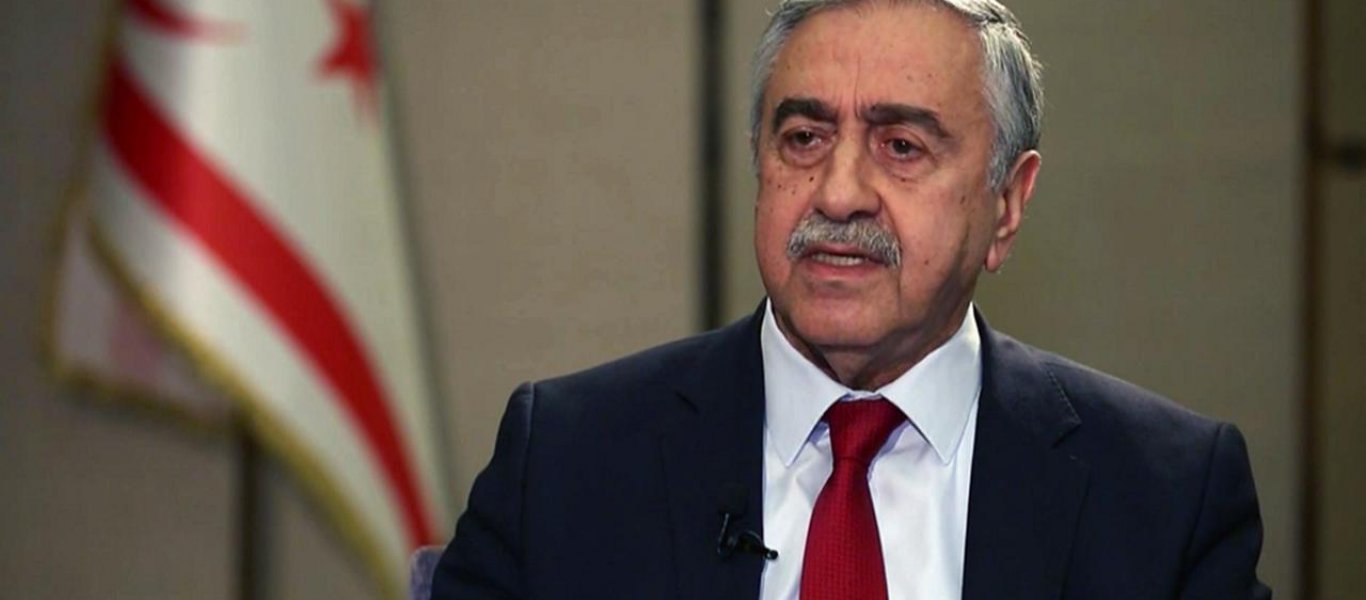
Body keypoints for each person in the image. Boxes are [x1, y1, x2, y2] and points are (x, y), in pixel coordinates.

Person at [431, 0, 1272, 598]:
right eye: (804, 138)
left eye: (901, 146)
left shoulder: (1165, 497)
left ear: (1007, 205)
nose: (838, 194)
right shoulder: (565, 463)